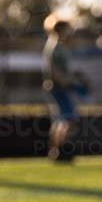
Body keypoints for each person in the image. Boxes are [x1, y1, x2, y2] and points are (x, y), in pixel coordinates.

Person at [42, 15, 87, 162]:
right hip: (59, 89)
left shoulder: (57, 46)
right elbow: (55, 72)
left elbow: (65, 69)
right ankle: (62, 151)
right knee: (70, 119)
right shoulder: (55, 48)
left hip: (58, 88)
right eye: (68, 28)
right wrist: (71, 84)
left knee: (59, 121)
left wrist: (77, 77)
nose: (70, 31)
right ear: (62, 29)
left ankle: (55, 152)